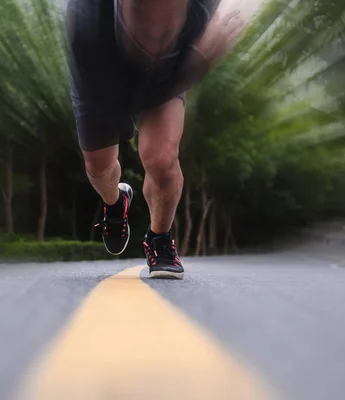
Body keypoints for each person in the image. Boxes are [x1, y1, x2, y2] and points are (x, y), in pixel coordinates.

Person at [65, 0, 243, 279]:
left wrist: (195, 55)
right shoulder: (86, 22)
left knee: (161, 158)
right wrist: (196, 64)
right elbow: (117, 105)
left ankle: (159, 238)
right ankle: (115, 202)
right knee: (98, 166)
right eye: (143, 14)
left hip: (176, 65)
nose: (156, 35)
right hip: (105, 75)